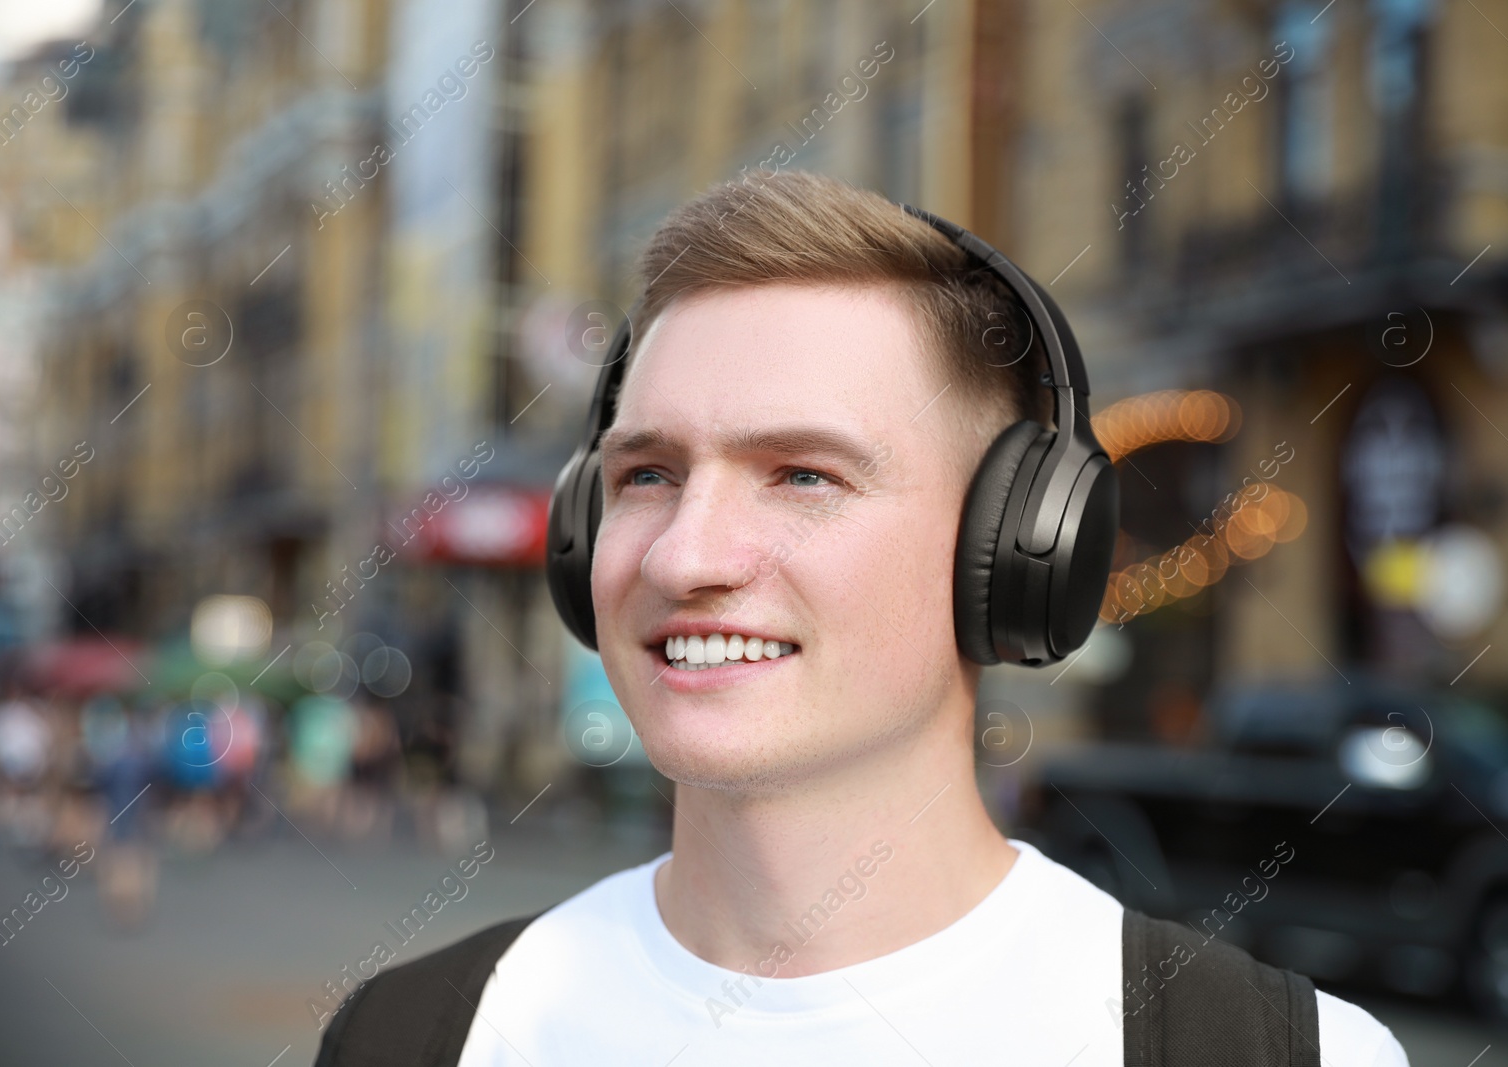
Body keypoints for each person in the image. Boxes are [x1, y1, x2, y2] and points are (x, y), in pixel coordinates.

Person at [315, 171, 1409, 1065]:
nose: (686, 554)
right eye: (646, 474)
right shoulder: (416, 1036)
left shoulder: (1275, 1052)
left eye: (801, 475)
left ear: (1019, 548)